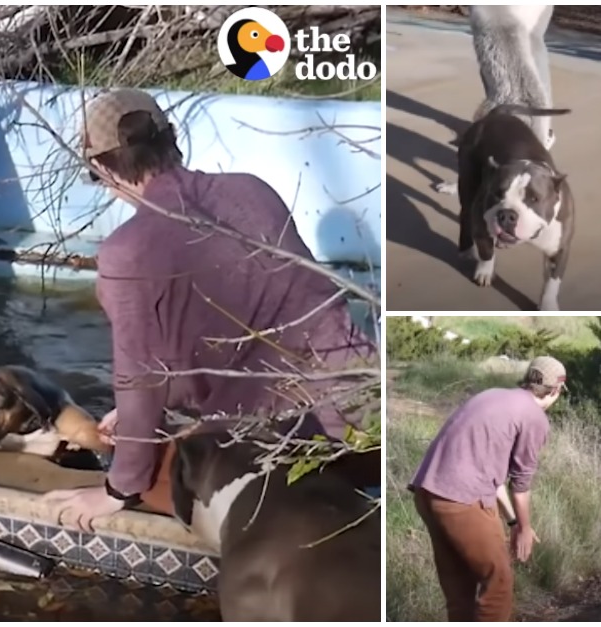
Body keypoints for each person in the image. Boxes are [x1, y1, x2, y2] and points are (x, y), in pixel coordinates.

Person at [42, 89, 377, 528]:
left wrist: (119, 489)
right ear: (173, 137)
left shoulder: (126, 253)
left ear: (103, 168)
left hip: (284, 447)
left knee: (154, 471)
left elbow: (138, 378)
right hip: (367, 409)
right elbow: (267, 320)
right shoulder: (253, 191)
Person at [408, 356, 565, 622]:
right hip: (460, 501)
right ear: (555, 390)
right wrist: (525, 529)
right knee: (499, 583)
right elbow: (521, 482)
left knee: (460, 590)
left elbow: (492, 478)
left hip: (426, 492)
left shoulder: (492, 395)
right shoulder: (534, 417)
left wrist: (514, 521)